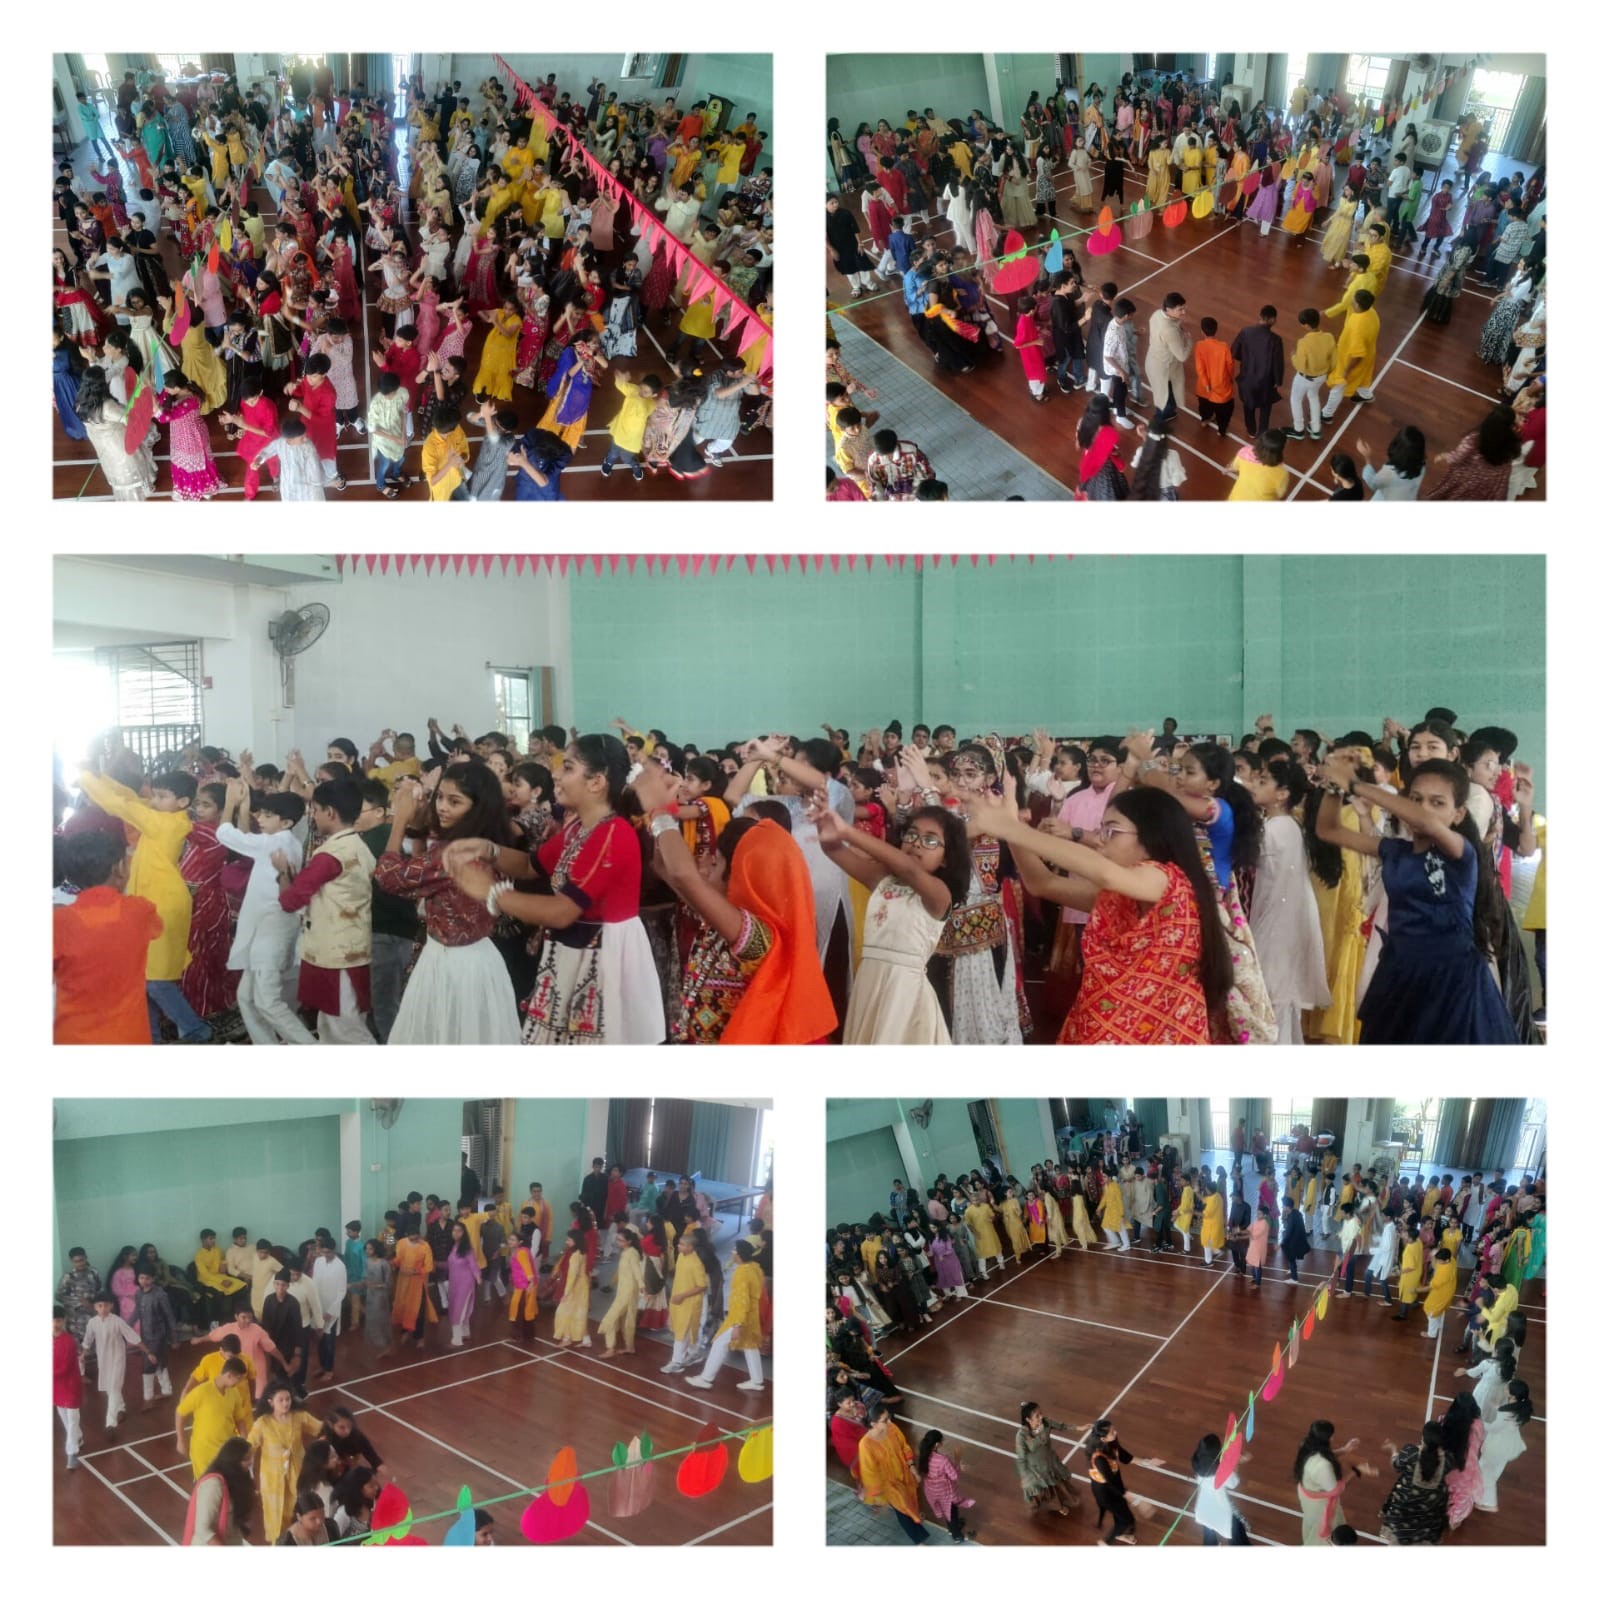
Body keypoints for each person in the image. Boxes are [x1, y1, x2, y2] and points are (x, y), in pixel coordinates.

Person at [1315, 750, 1516, 1043]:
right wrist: (1334, 787)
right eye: (1416, 799)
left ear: (1458, 814)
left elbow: (1427, 823)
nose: (1423, 809)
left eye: (1438, 802)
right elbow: (1328, 830)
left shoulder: (1461, 853)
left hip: (1452, 981)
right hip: (1400, 973)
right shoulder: (1395, 850)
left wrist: (1355, 785)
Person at [248, 1381, 325, 1544]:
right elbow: (249, 1448)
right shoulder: (262, 1423)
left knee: (300, 1511)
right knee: (275, 1518)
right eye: (281, 1400)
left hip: (298, 1476)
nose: (285, 1403)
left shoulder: (300, 1417)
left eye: (288, 1399)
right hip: (273, 1480)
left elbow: (322, 1429)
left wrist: (318, 1452)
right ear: (271, 1402)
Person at [686, 1237, 765, 1391]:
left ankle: (706, 1378)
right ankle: (756, 1380)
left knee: (719, 1343)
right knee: (750, 1346)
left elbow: (742, 1300)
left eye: (734, 1251)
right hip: (751, 1315)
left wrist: (737, 1324)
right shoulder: (755, 1268)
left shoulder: (742, 1273)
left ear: (739, 1256)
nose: (732, 1253)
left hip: (739, 1317)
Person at [1088, 1418, 1159, 1545]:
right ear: (1103, 1439)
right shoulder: (1099, 1459)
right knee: (1127, 1519)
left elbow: (1125, 1457)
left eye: (1114, 1429)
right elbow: (1112, 1483)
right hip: (1105, 1492)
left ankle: (1119, 1534)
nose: (1116, 1432)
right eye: (1112, 1432)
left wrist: (1148, 1462)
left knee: (1121, 1514)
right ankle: (1105, 1542)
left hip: (1115, 1486)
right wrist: (1138, 1502)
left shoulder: (1111, 1443)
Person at [1378, 1423, 1450, 1544]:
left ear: (1423, 1438)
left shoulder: (1411, 1453)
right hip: (1431, 1505)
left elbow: (1396, 1466)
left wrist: (1393, 1449)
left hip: (1406, 1501)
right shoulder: (1448, 1459)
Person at [183, 1436, 255, 1546]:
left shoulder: (237, 1479)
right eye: (246, 1459)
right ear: (233, 1461)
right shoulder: (213, 1485)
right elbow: (203, 1529)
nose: (251, 1462)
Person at [1016, 1401, 1080, 1518]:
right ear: (1028, 1419)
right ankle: (1057, 1506)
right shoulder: (1021, 1435)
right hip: (1037, 1469)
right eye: (1037, 1416)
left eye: (1041, 1413)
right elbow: (1021, 1458)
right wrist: (1024, 1475)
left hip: (1050, 1461)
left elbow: (1062, 1426)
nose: (1041, 1417)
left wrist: (1078, 1428)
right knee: (1046, 1490)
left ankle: (1063, 1500)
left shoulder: (1045, 1422)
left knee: (1058, 1483)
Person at [1192, 1433, 1250, 1544]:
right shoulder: (1221, 1473)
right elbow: (1234, 1483)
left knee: (1209, 1538)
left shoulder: (1199, 1466)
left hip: (1204, 1510)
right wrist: (1236, 1462)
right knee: (1237, 1536)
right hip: (1221, 1512)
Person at [53, 1305, 83, 1470]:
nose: (55, 1324)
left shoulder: (69, 1342)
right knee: (64, 1416)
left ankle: (71, 1453)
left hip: (71, 1385)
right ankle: (78, 1436)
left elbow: (64, 1368)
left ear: (63, 1321)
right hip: (56, 1386)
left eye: (58, 1320)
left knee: (72, 1419)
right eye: (52, 1320)